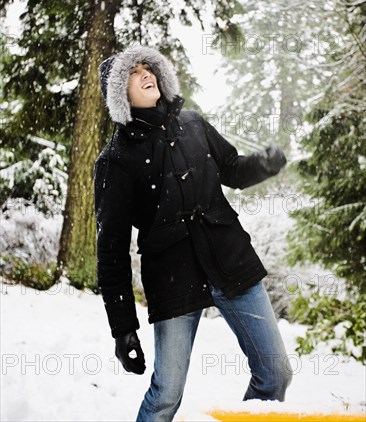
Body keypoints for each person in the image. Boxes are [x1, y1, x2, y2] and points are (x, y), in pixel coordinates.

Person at [94, 44, 292, 422]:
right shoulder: (115, 160)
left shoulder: (194, 124)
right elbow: (111, 249)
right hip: (173, 278)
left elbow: (232, 168)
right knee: (166, 394)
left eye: (146, 66)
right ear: (120, 92)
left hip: (230, 262)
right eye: (133, 72)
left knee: (275, 375)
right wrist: (123, 329)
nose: (145, 73)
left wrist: (263, 165)